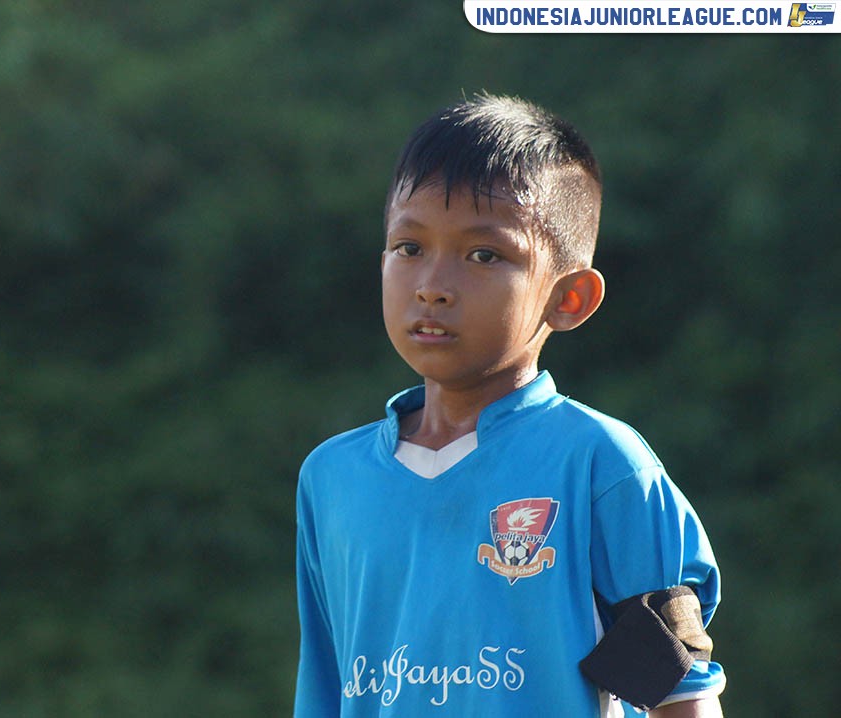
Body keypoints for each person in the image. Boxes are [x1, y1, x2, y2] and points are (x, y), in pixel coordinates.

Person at [293, 94, 726, 717]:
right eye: (408, 247)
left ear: (569, 298)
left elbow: (676, 698)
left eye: (484, 255)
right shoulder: (331, 478)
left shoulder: (600, 466)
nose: (432, 286)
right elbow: (326, 691)